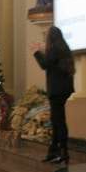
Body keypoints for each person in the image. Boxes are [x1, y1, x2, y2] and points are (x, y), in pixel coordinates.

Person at [33, 26, 75, 164]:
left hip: (56, 90)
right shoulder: (64, 49)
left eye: (46, 35)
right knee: (57, 121)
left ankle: (63, 152)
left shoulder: (54, 49)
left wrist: (36, 52)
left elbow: (45, 64)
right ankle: (54, 151)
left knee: (59, 122)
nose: (45, 38)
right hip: (64, 90)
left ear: (51, 37)